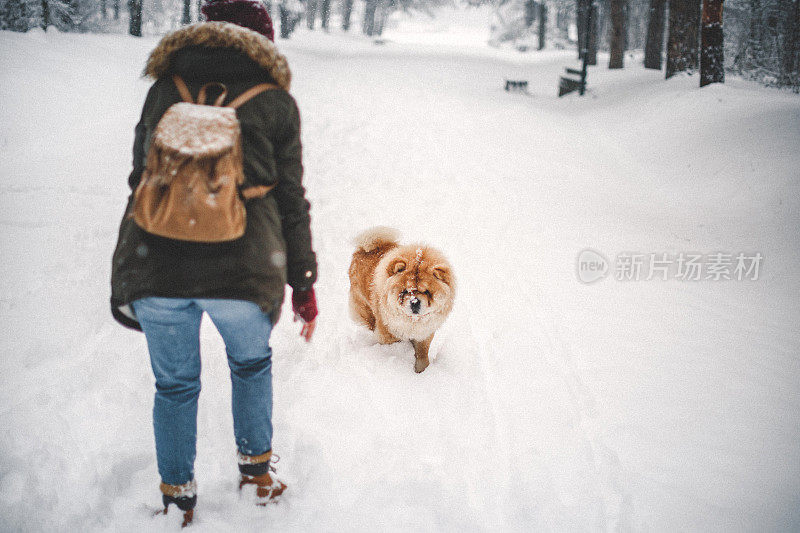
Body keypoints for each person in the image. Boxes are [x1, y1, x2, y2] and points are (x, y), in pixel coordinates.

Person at [110, 0, 317, 523]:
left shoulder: (164, 90)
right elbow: (291, 200)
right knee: (250, 366)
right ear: (263, 44)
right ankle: (257, 476)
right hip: (243, 268)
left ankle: (178, 498)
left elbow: (140, 177)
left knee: (175, 385)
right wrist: (304, 284)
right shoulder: (274, 101)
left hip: (156, 262)